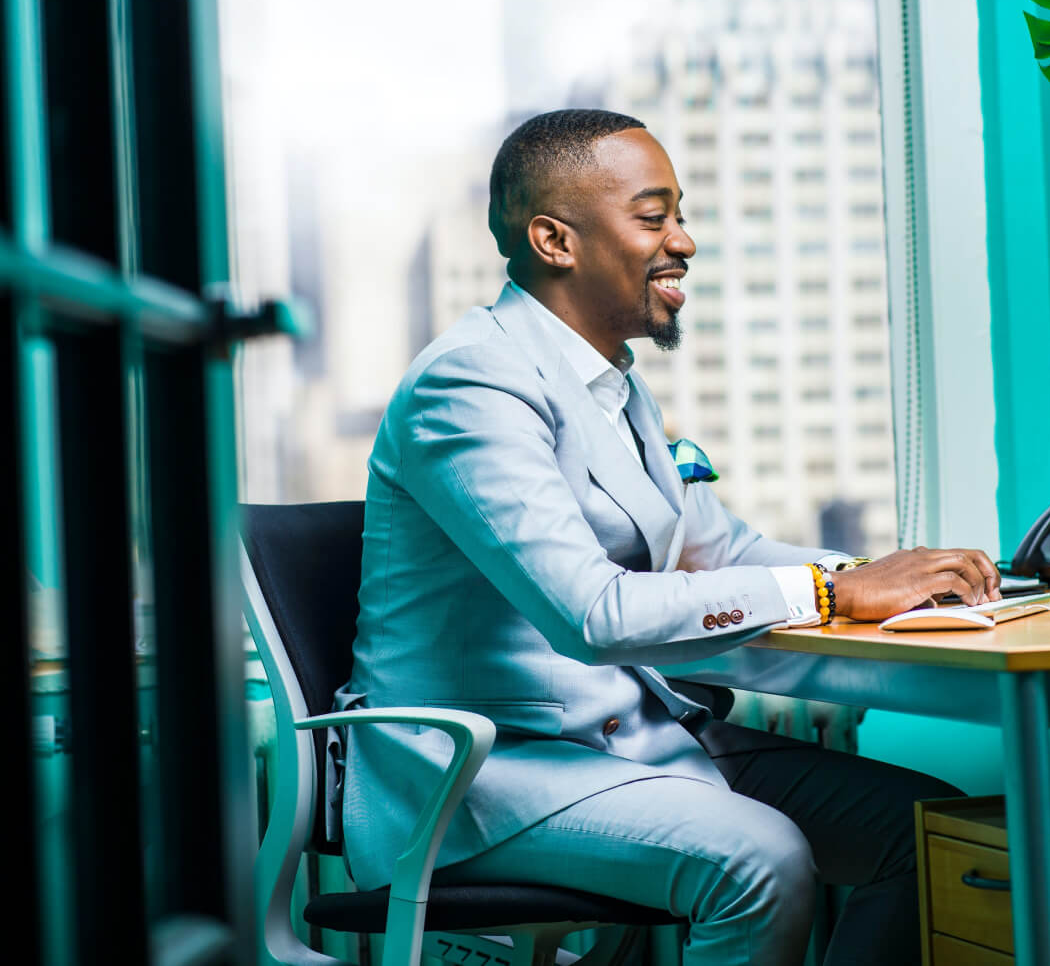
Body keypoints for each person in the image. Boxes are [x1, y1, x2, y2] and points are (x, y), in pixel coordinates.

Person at [335, 109, 1001, 964]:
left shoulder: (608, 381)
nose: (683, 241)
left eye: (680, 215)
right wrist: (834, 593)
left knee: (922, 834)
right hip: (487, 780)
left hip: (630, 746)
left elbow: (716, 553)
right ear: (554, 239)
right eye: (655, 217)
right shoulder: (470, 384)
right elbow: (594, 615)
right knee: (759, 862)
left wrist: (883, 575)